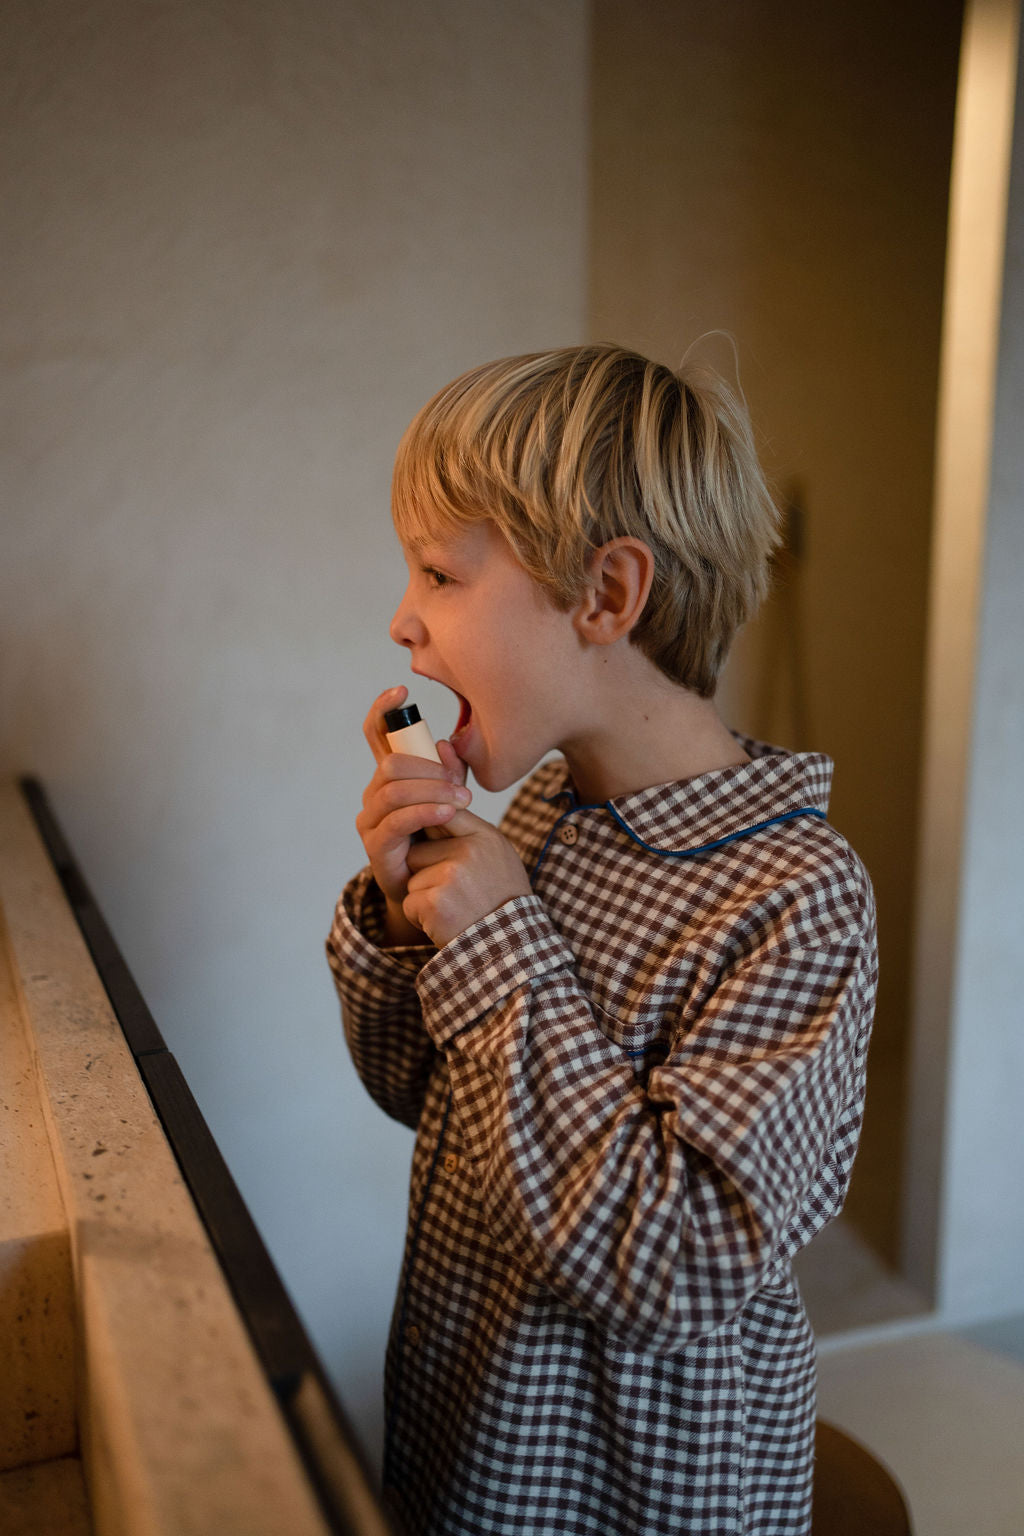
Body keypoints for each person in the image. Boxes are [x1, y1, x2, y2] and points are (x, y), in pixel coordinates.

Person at [326, 345, 877, 1536]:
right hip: (469, 1437)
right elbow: (416, 1091)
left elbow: (669, 1258)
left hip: (627, 1498)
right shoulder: (546, 819)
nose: (402, 619)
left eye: (438, 573)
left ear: (605, 599)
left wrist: (499, 944)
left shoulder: (795, 896)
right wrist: (402, 900)